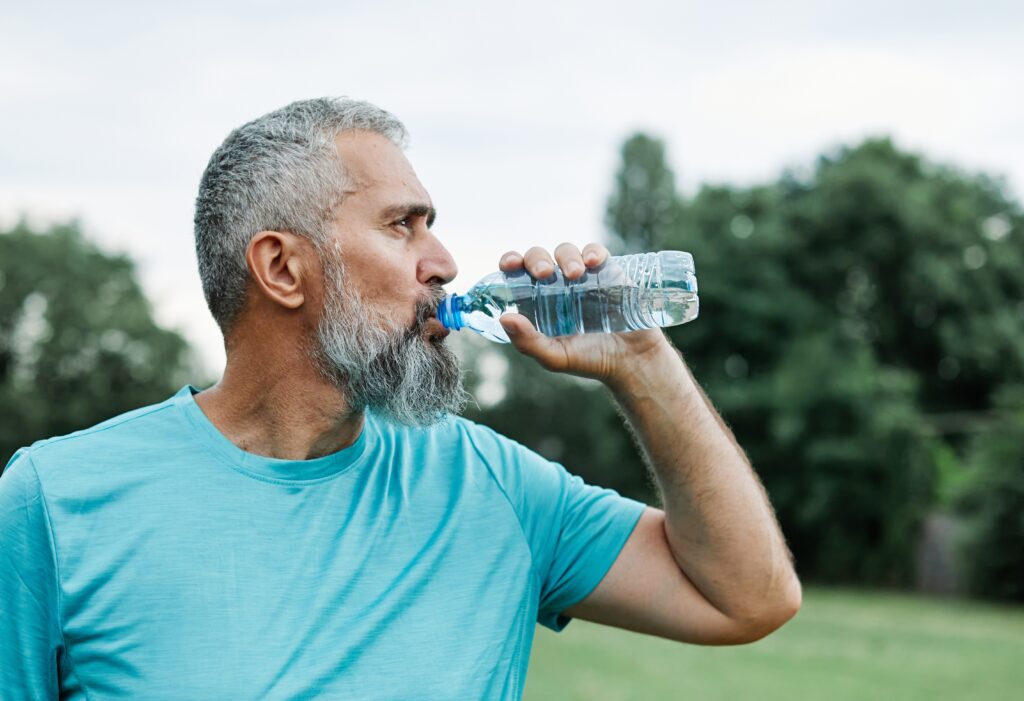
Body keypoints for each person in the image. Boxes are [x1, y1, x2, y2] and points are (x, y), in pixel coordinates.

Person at [0, 98, 801, 700]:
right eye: (402, 226)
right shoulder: (56, 501)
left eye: (434, 225)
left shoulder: (493, 486)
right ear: (282, 268)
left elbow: (748, 596)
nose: (445, 261)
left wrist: (643, 363)